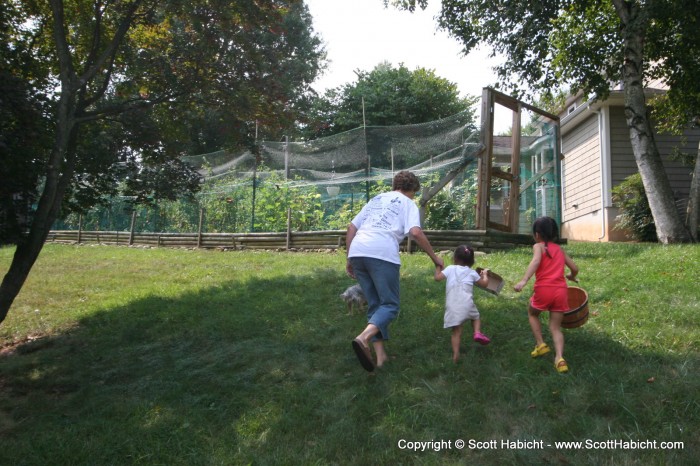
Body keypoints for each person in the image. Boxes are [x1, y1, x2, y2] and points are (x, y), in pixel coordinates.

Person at [347, 170, 444, 372]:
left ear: (395, 185)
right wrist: (435, 257)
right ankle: (363, 338)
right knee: (390, 305)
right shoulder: (408, 203)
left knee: (375, 305)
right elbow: (415, 232)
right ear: (413, 190)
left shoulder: (376, 199)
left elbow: (351, 227)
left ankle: (381, 358)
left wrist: (349, 257)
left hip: (358, 250)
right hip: (381, 253)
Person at [514, 216, 579, 373]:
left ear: (537, 234)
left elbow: (536, 262)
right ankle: (559, 358)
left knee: (532, 313)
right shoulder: (560, 250)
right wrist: (571, 276)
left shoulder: (538, 247)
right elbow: (575, 268)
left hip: (544, 289)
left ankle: (540, 343)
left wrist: (524, 280)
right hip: (560, 291)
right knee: (555, 327)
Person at [434, 245, 491, 363]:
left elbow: (437, 278)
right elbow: (485, 284)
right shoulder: (472, 273)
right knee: (475, 317)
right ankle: (477, 332)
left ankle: (455, 354)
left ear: (455, 259)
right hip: (467, 304)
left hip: (452, 306)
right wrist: (484, 275)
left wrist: (438, 267)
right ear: (472, 261)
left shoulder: (450, 268)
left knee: (456, 332)